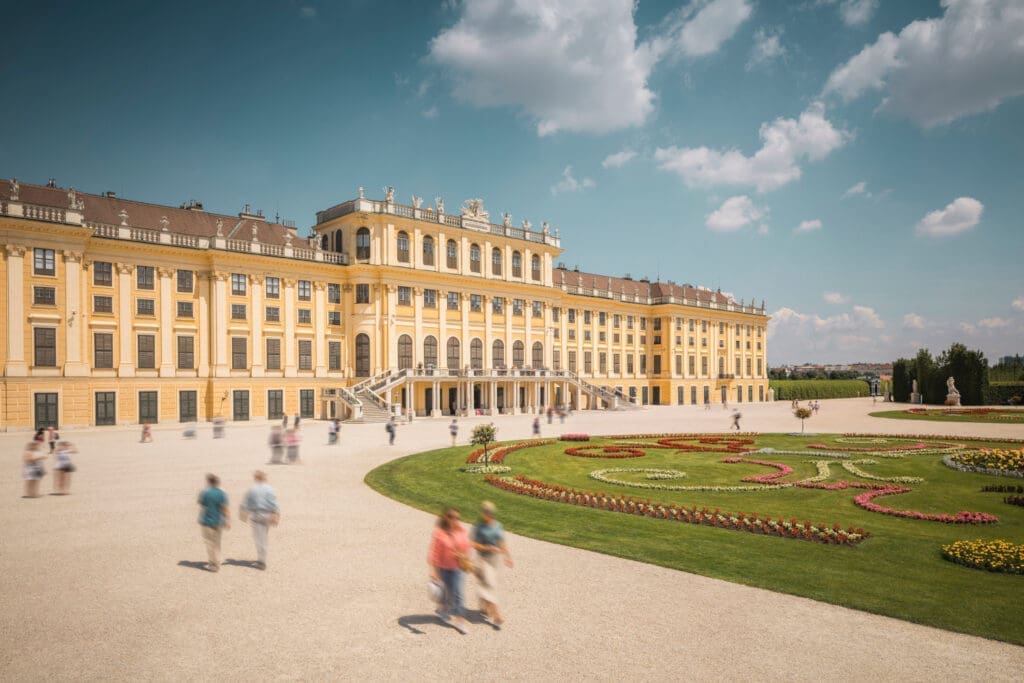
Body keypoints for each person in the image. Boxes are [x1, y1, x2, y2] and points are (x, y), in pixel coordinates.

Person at [428, 507, 472, 634]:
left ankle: (460, 621)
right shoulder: (439, 533)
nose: (455, 520)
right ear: (446, 518)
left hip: (458, 567)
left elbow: (467, 546)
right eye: (452, 517)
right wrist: (433, 571)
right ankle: (443, 609)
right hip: (443, 567)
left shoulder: (461, 530)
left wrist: (464, 555)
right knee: (446, 592)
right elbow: (434, 553)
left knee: (458, 593)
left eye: (458, 518)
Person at [471, 501, 513, 627]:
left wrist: (507, 557)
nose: (489, 514)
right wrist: (486, 547)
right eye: (486, 512)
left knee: (486, 584)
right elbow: (473, 544)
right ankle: (496, 615)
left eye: (490, 512)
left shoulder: (497, 526)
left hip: (495, 560)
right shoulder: (478, 527)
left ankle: (483, 603)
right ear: (483, 513)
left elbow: (502, 542)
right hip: (482, 559)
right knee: (490, 584)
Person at [240, 470, 279, 570]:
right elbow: (273, 502)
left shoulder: (251, 489)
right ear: (264, 478)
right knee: (264, 537)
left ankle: (261, 561)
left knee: (258, 537)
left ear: (256, 478)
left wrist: (244, 513)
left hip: (256, 515)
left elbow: (246, 502)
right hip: (266, 514)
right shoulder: (269, 488)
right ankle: (262, 559)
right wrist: (276, 515)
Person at [197, 474, 230, 572]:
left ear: (209, 482)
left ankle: (213, 564)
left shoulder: (204, 493)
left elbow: (201, 504)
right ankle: (218, 561)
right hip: (218, 521)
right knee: (217, 543)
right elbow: (225, 508)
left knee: (209, 543)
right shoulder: (222, 493)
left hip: (207, 521)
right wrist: (227, 520)